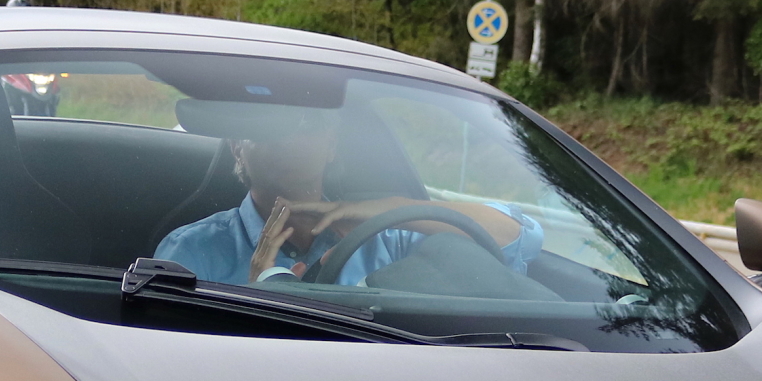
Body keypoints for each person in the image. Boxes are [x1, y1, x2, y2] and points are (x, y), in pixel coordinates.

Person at [154, 108, 545, 287]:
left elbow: (519, 236)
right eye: (268, 124)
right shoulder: (192, 251)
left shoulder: (390, 236)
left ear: (332, 145)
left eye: (307, 122)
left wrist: (388, 210)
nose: (288, 138)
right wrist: (261, 297)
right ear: (237, 149)